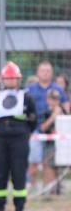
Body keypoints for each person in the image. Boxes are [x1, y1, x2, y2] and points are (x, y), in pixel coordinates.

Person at [0, 62, 37, 211]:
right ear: (3, 80)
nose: (10, 81)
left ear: (18, 80)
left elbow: (33, 120)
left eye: (13, 78)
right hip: (0, 138)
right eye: (7, 78)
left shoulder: (27, 98)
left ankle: (19, 210)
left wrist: (22, 132)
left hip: (20, 139)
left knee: (19, 173)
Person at [26, 60, 69, 193]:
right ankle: (31, 189)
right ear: (38, 72)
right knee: (33, 161)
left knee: (48, 162)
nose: (45, 73)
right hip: (34, 131)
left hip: (53, 133)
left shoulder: (58, 89)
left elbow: (66, 109)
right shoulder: (30, 89)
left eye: (48, 71)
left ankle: (48, 191)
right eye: (43, 70)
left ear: (52, 73)